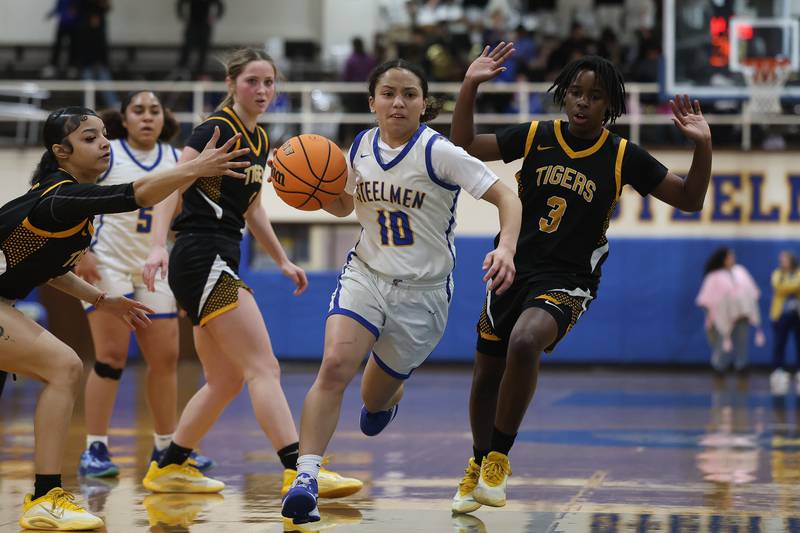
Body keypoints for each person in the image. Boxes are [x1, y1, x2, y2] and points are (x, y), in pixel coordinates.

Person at [448, 43, 713, 512]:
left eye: (594, 96)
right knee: (486, 371)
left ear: (610, 104)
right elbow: (465, 146)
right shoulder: (536, 135)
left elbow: (690, 199)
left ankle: (498, 461)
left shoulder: (622, 155)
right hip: (513, 268)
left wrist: (703, 146)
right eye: (575, 92)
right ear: (563, 95)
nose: (582, 102)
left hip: (569, 279)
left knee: (525, 342)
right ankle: (478, 461)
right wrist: (469, 85)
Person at [281, 58, 522, 525]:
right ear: (372, 101)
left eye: (409, 94)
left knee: (372, 399)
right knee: (334, 366)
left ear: (423, 103)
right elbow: (343, 205)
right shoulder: (359, 146)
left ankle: (388, 400)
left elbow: (506, 196)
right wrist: (302, 187)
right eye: (388, 93)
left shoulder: (439, 152)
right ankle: (305, 479)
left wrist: (507, 247)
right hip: (366, 274)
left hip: (422, 296)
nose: (398, 102)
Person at [0, 105, 248, 530]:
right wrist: (196, 167)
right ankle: (45, 497)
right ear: (61, 152)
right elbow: (138, 194)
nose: (103, 144)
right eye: (89, 138)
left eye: (103, 135)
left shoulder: (62, 201)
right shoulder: (61, 197)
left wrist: (102, 299)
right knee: (64, 367)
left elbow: (51, 269)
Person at [141, 48, 363, 499]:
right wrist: (157, 245)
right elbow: (172, 185)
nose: (262, 90)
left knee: (225, 379)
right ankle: (298, 469)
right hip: (201, 254)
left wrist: (281, 259)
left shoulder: (260, 140)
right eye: (252, 81)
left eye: (269, 82)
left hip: (219, 255)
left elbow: (254, 209)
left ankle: (169, 466)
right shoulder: (215, 129)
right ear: (231, 84)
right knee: (264, 366)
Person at [75, 91, 215, 480]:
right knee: (111, 357)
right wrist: (81, 251)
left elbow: (183, 221)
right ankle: (95, 447)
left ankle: (167, 447)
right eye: (138, 110)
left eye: (154, 110)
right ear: (124, 119)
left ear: (164, 118)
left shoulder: (178, 157)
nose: (147, 117)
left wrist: (185, 277)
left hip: (154, 265)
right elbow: (76, 197)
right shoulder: (108, 153)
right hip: (107, 261)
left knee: (165, 359)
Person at [696, 247, 765, 376]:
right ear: (723, 259)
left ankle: (742, 366)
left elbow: (752, 291)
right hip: (722, 318)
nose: (733, 258)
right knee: (722, 345)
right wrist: (711, 316)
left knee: (742, 343)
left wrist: (746, 306)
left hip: (741, 316)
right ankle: (719, 367)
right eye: (730, 256)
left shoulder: (740, 271)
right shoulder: (713, 276)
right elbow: (707, 299)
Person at [768, 251, 800, 395]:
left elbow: (794, 285)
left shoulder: (798, 272)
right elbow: (778, 286)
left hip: (797, 314)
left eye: (785, 260)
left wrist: (787, 286)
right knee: (779, 343)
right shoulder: (777, 274)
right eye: (781, 260)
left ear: (791, 260)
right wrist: (791, 286)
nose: (782, 262)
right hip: (781, 314)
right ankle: (778, 371)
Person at [176, 0, 225, 79]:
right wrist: (182, 16)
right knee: (187, 47)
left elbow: (220, 5)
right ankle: (181, 68)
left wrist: (215, 17)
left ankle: (200, 71)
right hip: (192, 24)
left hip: (205, 25)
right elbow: (180, 3)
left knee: (204, 48)